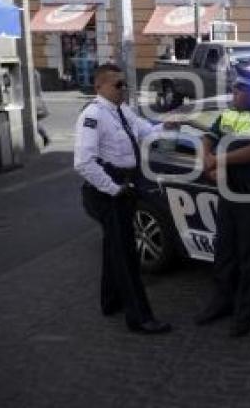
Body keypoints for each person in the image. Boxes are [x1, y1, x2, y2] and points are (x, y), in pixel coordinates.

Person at [74, 64, 180, 334]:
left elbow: (145, 131)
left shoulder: (121, 111)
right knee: (127, 256)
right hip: (108, 191)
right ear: (100, 87)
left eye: (124, 84)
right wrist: (113, 189)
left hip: (124, 185)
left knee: (114, 248)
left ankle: (110, 302)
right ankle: (140, 318)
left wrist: (165, 126)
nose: (123, 89)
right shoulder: (94, 116)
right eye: (117, 85)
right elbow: (83, 163)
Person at [194, 76, 250, 337]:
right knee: (224, 252)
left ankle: (246, 313)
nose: (234, 93)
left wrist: (218, 161)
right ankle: (221, 302)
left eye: (240, 89)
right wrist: (206, 162)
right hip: (227, 193)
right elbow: (207, 138)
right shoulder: (228, 114)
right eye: (234, 88)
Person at [34, 69, 50, 147]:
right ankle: (45, 137)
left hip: (35, 100)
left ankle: (45, 137)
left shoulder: (31, 73)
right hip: (38, 99)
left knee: (33, 121)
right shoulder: (35, 72)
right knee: (34, 121)